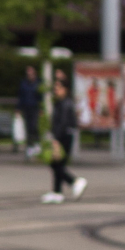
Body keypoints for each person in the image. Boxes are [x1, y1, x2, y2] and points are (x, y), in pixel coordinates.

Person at [43, 66, 84, 203]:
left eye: (58, 87)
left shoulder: (65, 104)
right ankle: (57, 192)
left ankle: (74, 181)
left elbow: (63, 123)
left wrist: (56, 139)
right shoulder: (61, 102)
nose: (56, 90)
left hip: (64, 136)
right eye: (55, 87)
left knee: (57, 164)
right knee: (56, 164)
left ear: (65, 89)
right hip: (63, 135)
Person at [17, 66, 43, 162]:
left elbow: (41, 97)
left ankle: (36, 145)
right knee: (28, 128)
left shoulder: (38, 83)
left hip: (35, 108)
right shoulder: (24, 83)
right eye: (28, 74)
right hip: (26, 108)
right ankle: (29, 148)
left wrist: (41, 108)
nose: (30, 75)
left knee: (34, 126)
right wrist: (18, 108)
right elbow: (21, 96)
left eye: (31, 73)